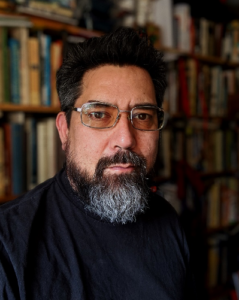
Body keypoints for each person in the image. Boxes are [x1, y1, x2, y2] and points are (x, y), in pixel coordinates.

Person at [0, 27, 197, 299]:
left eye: (142, 116)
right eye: (99, 114)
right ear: (64, 131)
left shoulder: (168, 221)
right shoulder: (7, 245)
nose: (126, 139)